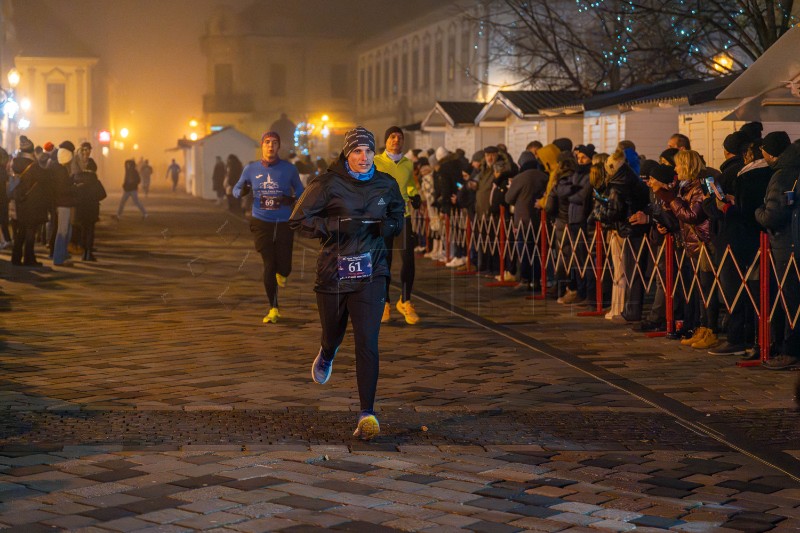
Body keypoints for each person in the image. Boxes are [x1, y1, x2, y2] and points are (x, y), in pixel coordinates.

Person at [289, 126, 405, 440]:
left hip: (372, 272)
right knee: (333, 331)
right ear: (347, 154)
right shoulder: (327, 184)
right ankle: (327, 352)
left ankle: (367, 413)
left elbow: (398, 214)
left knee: (367, 341)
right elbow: (297, 219)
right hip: (334, 273)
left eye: (368, 151)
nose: (364, 157)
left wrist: (389, 227)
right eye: (357, 151)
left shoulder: (387, 184)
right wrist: (335, 225)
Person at [233, 132, 304, 324]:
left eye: (274, 143)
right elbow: (235, 190)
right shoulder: (251, 168)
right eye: (267, 142)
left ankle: (284, 273)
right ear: (262, 146)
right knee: (269, 264)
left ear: (279, 147)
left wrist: (292, 199)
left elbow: (301, 192)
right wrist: (244, 190)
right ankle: (273, 308)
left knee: (284, 267)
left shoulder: (289, 169)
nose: (270, 146)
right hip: (261, 222)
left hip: (283, 222)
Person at [755, 132, 800, 369]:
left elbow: (772, 214)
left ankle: (789, 350)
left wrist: (758, 212)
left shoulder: (783, 175)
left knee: (789, 298)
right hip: (792, 242)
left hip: (786, 245)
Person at [373, 126, 422, 325]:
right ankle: (385, 303)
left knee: (408, 259)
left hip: (403, 215)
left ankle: (406, 300)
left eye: (399, 137)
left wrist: (415, 195)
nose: (396, 140)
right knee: (385, 261)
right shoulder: (375, 161)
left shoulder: (408, 164)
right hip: (383, 216)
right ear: (386, 140)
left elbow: (410, 184)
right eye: (392, 137)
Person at [10, 137, 52, 267]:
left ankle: (16, 258)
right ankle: (29, 258)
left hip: (19, 202)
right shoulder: (33, 166)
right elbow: (45, 180)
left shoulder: (14, 164)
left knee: (21, 230)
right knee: (30, 232)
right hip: (32, 204)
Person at [73, 159, 107, 261]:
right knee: (90, 230)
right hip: (92, 208)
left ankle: (83, 252)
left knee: (83, 229)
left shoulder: (77, 178)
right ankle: (89, 252)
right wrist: (95, 198)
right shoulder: (95, 181)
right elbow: (103, 194)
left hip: (81, 208)